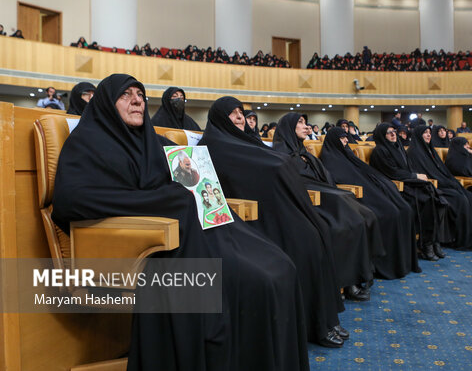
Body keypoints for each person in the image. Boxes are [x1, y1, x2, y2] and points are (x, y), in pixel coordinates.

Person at [51, 74, 310, 371]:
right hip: (146, 249)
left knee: (279, 266)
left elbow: (194, 184)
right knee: (255, 282)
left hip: (192, 235)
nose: (137, 100)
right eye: (126, 95)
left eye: (140, 94)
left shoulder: (151, 140)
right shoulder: (86, 142)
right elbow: (71, 199)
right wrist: (164, 199)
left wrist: (198, 174)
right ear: (106, 103)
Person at [198, 97, 347, 348]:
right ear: (219, 117)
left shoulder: (248, 141)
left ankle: (324, 318)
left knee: (317, 232)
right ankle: (314, 324)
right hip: (250, 215)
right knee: (304, 243)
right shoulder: (209, 146)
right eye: (232, 113)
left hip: (273, 207)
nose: (239, 118)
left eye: (241, 113)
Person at [273, 113, 383, 301]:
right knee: (342, 226)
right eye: (300, 123)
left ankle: (357, 277)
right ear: (288, 127)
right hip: (306, 203)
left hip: (325, 197)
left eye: (305, 122)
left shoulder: (304, 152)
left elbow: (326, 179)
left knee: (364, 216)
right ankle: (344, 282)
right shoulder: (279, 154)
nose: (305, 126)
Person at [320, 126, 420, 277]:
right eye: (342, 137)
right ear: (334, 140)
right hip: (358, 196)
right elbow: (339, 181)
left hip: (370, 191)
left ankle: (403, 262)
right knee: (389, 213)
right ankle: (384, 264)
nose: (346, 139)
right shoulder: (328, 158)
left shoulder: (348, 154)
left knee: (404, 209)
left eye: (346, 136)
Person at [369, 123, 449, 261]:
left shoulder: (399, 147)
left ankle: (434, 240)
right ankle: (426, 244)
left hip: (408, 183)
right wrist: (415, 176)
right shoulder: (380, 151)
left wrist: (414, 176)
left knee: (437, 198)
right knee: (427, 200)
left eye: (394, 131)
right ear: (382, 135)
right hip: (395, 187)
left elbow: (409, 167)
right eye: (389, 133)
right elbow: (391, 172)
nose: (393, 134)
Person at [407, 126, 472, 251]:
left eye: (429, 133)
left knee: (470, 196)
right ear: (419, 136)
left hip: (442, 184)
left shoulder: (430, 150)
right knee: (460, 199)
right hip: (431, 187)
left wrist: (451, 181)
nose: (429, 135)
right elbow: (426, 174)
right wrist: (446, 183)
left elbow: (442, 170)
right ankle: (464, 241)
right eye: (425, 133)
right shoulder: (414, 152)